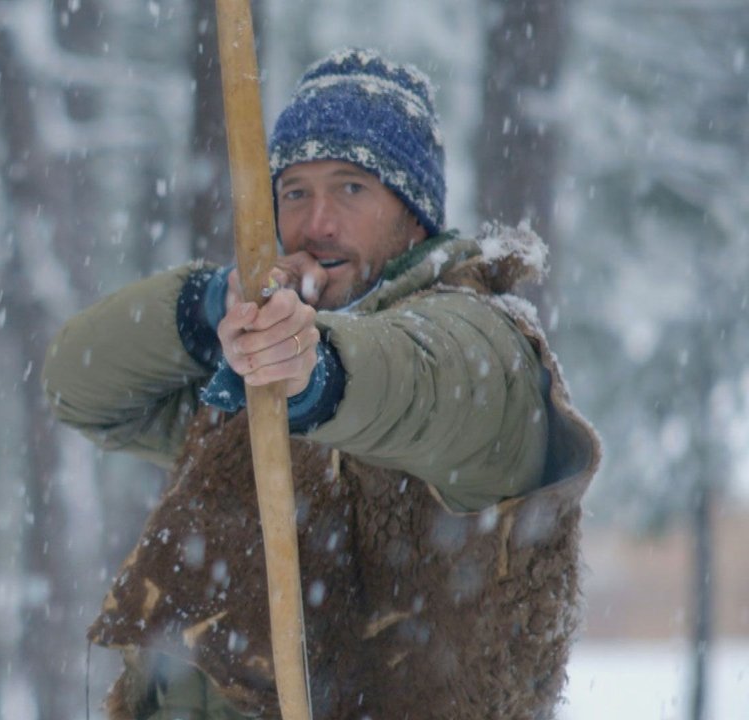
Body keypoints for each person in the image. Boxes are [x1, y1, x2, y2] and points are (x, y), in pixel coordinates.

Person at [43, 49, 600, 720]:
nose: (317, 223)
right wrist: (208, 306)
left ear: (414, 213)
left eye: (351, 188)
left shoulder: (487, 340)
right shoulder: (250, 370)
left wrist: (317, 374)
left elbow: (416, 382)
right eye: (295, 192)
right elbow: (78, 385)